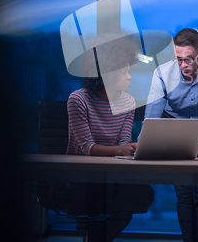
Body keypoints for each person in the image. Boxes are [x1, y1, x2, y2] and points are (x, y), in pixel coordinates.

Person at [144, 28, 198, 242]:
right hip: (175, 127)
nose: (183, 65)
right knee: (185, 193)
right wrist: (143, 147)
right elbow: (152, 114)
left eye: (189, 59)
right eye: (178, 59)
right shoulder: (162, 72)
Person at [66, 35, 154, 242]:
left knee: (143, 195)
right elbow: (87, 148)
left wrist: (130, 148)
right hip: (81, 178)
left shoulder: (128, 101)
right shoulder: (77, 99)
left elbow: (123, 143)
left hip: (112, 178)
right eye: (124, 72)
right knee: (121, 204)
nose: (129, 77)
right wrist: (121, 150)